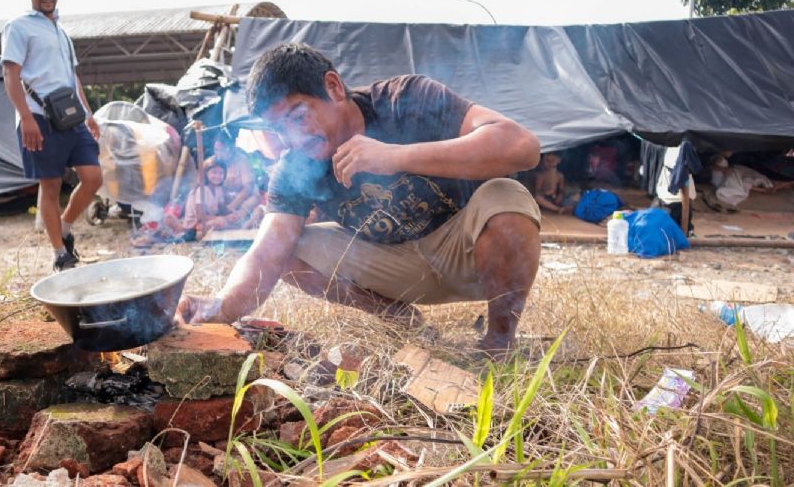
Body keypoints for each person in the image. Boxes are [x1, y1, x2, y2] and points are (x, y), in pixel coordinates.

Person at [178, 43, 542, 356]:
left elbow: (522, 146)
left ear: (334, 87)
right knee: (285, 249)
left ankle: (499, 341)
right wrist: (221, 306)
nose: (293, 138)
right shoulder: (294, 168)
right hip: (395, 268)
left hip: (462, 254)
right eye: (280, 129)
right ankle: (397, 316)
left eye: (298, 116)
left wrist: (396, 156)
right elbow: (264, 254)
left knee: (506, 198)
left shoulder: (406, 99)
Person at [1, 0, 102, 271]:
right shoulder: (18, 27)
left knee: (93, 177)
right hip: (40, 118)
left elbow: (73, 78)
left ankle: (65, 227)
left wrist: (88, 114)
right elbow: (10, 74)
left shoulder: (62, 33)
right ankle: (60, 253)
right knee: (51, 184)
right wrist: (26, 117)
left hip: (71, 118)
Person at [204, 133, 264, 228]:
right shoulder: (210, 163)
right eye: (216, 150)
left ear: (231, 148)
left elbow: (248, 188)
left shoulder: (242, 160)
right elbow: (202, 186)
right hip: (222, 201)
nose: (219, 154)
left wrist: (233, 205)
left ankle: (243, 223)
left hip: (242, 199)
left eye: (223, 150)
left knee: (253, 200)